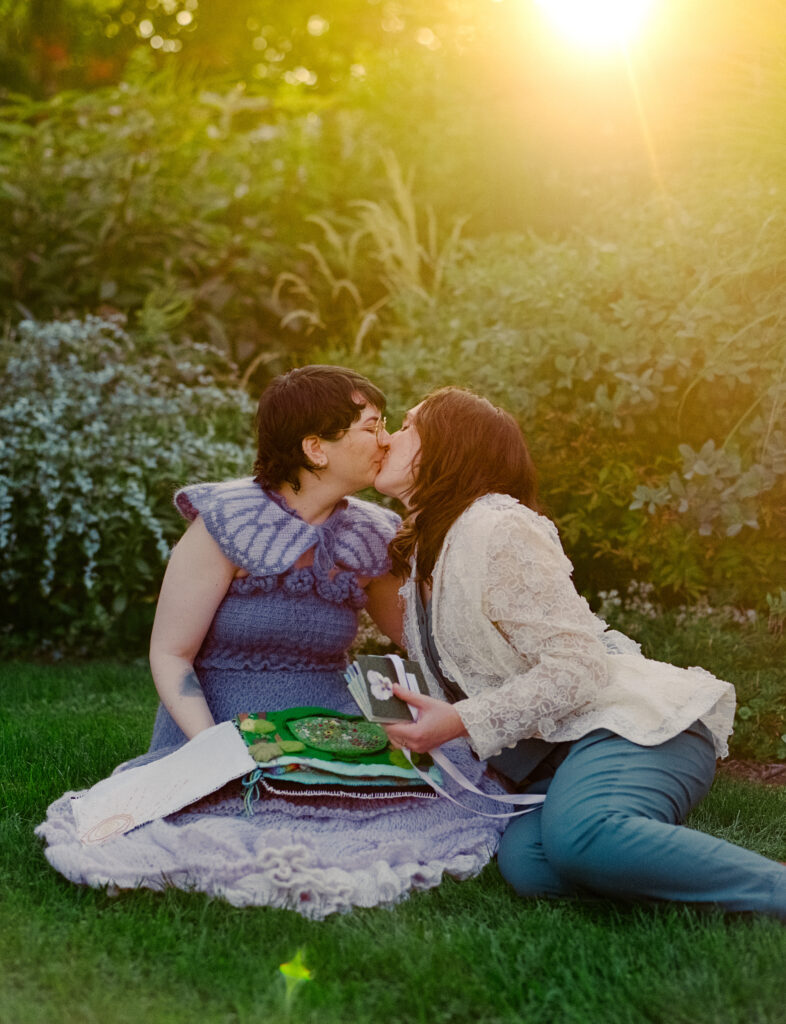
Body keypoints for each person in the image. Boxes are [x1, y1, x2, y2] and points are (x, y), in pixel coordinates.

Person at [36, 367, 507, 918]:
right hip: (218, 717)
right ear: (316, 448)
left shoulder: (373, 534)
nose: (387, 440)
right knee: (229, 814)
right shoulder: (227, 521)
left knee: (424, 795)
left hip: (325, 720)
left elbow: (421, 641)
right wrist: (213, 751)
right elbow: (171, 653)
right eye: (373, 425)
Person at [374, 386, 786, 919]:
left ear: (449, 448)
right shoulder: (430, 547)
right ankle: (629, 835)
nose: (388, 438)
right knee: (532, 869)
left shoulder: (496, 527)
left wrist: (459, 720)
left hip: (631, 728)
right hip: (560, 756)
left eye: (408, 426)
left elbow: (579, 665)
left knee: (583, 838)